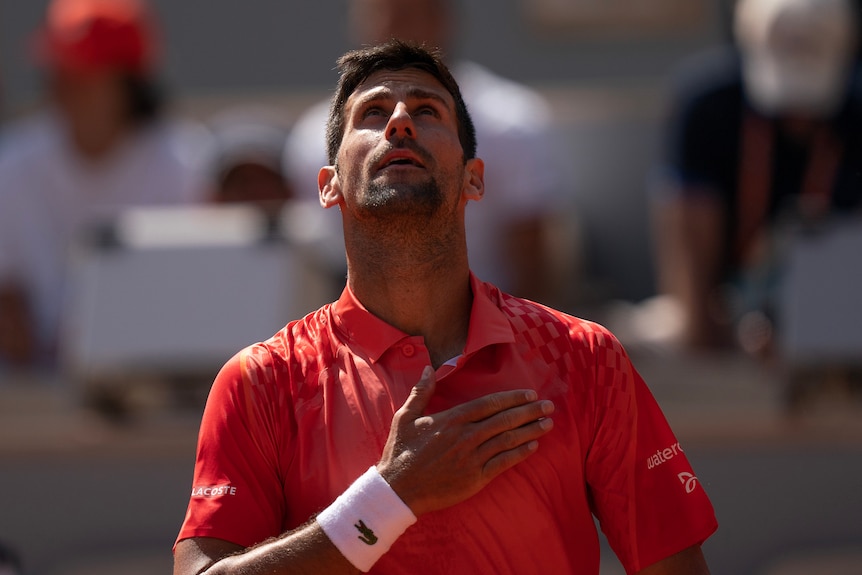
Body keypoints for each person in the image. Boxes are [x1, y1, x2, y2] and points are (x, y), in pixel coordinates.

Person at [173, 41, 716, 575]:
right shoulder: (260, 381)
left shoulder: (587, 358)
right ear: (328, 186)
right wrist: (390, 497)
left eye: (427, 110)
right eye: (374, 113)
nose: (401, 122)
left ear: (474, 179)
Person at [284, 0, 567, 304]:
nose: (393, 27)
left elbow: (532, 256)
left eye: (429, 114)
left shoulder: (510, 120)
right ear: (330, 185)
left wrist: (509, 343)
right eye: (378, 13)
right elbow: (313, 261)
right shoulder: (312, 135)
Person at [0, 0, 210, 370]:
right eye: (60, 69)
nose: (66, 85)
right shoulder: (13, 164)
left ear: (128, 83)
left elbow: (195, 298)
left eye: (85, 71)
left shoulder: (184, 163)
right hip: (31, 387)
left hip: (155, 379)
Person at [651, 0, 862, 352]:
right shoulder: (707, 104)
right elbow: (686, 220)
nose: (798, 114)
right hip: (727, 308)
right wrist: (705, 336)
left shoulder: (855, 109)